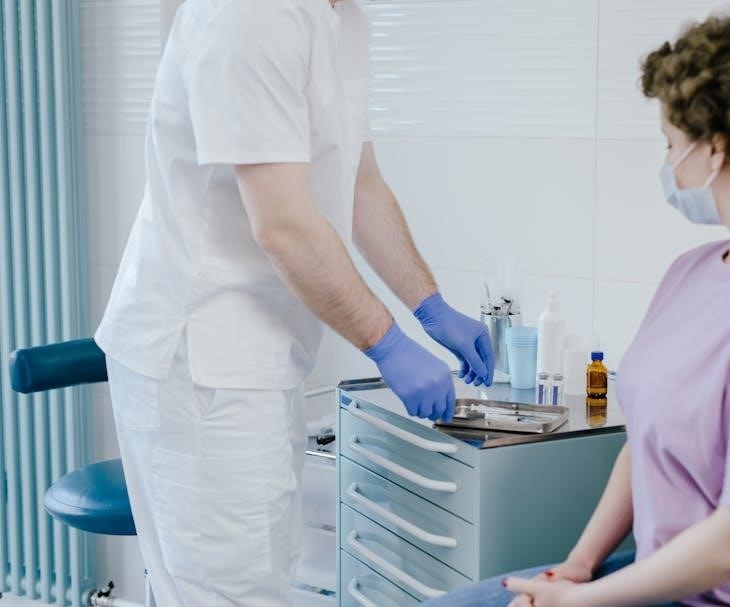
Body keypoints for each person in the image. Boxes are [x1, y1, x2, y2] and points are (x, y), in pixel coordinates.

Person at [425, 9, 730, 607]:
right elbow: (644, 444)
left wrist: (579, 604)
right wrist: (576, 569)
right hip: (651, 574)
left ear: (715, 145)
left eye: (670, 143)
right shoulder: (693, 272)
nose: (667, 163)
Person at [94, 0, 494, 605]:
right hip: (202, 353)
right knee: (229, 589)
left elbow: (359, 183)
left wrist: (430, 305)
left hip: (257, 353)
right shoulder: (249, 14)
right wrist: (387, 344)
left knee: (257, 570)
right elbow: (281, 225)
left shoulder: (343, 19)